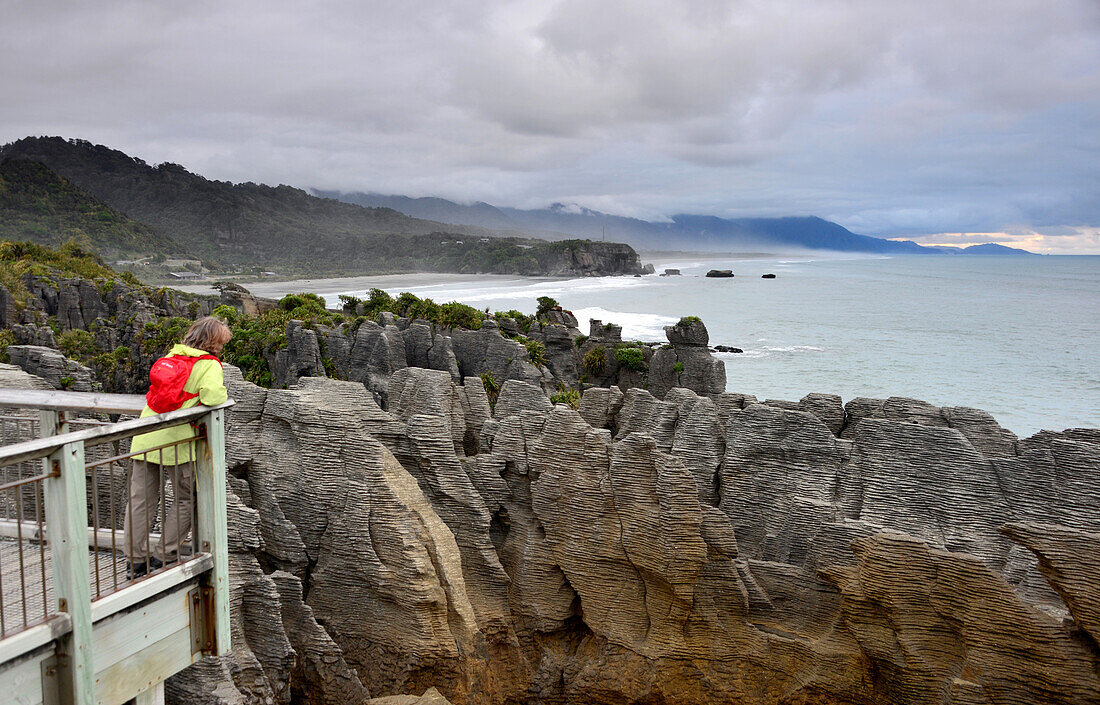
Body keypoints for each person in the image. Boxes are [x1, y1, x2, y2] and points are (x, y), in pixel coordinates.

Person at [124, 316, 231, 578]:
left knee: (140, 500)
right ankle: (165, 554)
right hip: (177, 441)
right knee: (187, 498)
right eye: (222, 342)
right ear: (215, 342)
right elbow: (213, 396)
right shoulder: (208, 365)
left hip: (146, 435)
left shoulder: (173, 356)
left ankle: (135, 562)